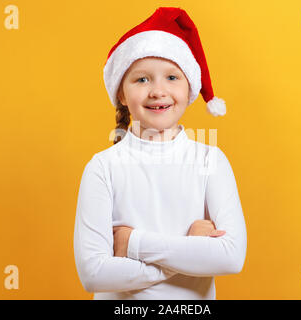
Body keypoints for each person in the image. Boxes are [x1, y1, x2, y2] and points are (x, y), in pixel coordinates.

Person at [73, 7, 247, 300]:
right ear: (121, 94)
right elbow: (93, 274)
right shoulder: (103, 168)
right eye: (142, 80)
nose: (158, 91)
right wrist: (190, 249)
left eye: (171, 77)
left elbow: (231, 257)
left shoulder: (210, 161)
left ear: (189, 85)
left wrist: (131, 244)